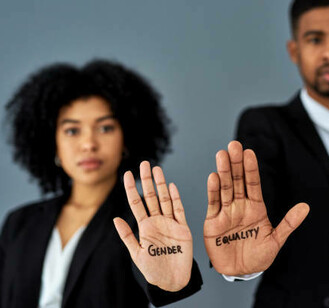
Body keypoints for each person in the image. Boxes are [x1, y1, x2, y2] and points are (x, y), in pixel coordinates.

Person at [204, 1, 329, 307]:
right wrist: (243, 263)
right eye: (315, 39)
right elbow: (258, 213)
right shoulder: (267, 128)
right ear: (294, 50)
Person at [0, 59, 202, 308]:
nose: (89, 144)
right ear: (53, 144)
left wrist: (172, 280)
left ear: (126, 140)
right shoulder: (19, 223)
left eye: (105, 128)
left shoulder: (143, 222)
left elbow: (167, 283)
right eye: (72, 131)